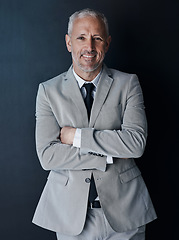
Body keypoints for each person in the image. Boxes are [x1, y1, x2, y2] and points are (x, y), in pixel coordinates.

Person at [32, 8, 157, 240]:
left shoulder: (128, 84)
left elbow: (136, 144)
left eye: (97, 38)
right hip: (71, 217)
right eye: (81, 38)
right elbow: (48, 156)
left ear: (107, 44)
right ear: (69, 42)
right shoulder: (48, 91)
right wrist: (109, 155)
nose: (89, 47)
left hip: (126, 214)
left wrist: (76, 137)